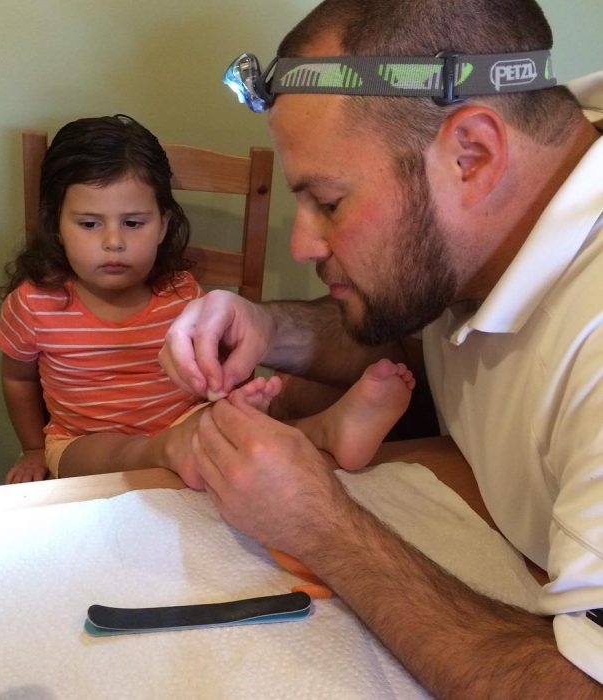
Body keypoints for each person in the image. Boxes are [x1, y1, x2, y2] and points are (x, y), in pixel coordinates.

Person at [160, 0, 603, 694]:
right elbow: (425, 336)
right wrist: (270, 327)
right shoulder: (525, 169)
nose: (302, 243)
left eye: (328, 203)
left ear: (472, 155)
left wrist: (322, 526)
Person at [0, 114, 415, 486]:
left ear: (162, 226)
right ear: (57, 227)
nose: (114, 242)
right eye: (88, 223)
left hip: (185, 424)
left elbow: (215, 365)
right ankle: (176, 449)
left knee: (229, 428)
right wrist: (32, 448)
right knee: (112, 452)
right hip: (83, 445)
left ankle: (324, 430)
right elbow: (18, 379)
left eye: (134, 222)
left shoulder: (182, 295)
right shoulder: (34, 304)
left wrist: (236, 396)